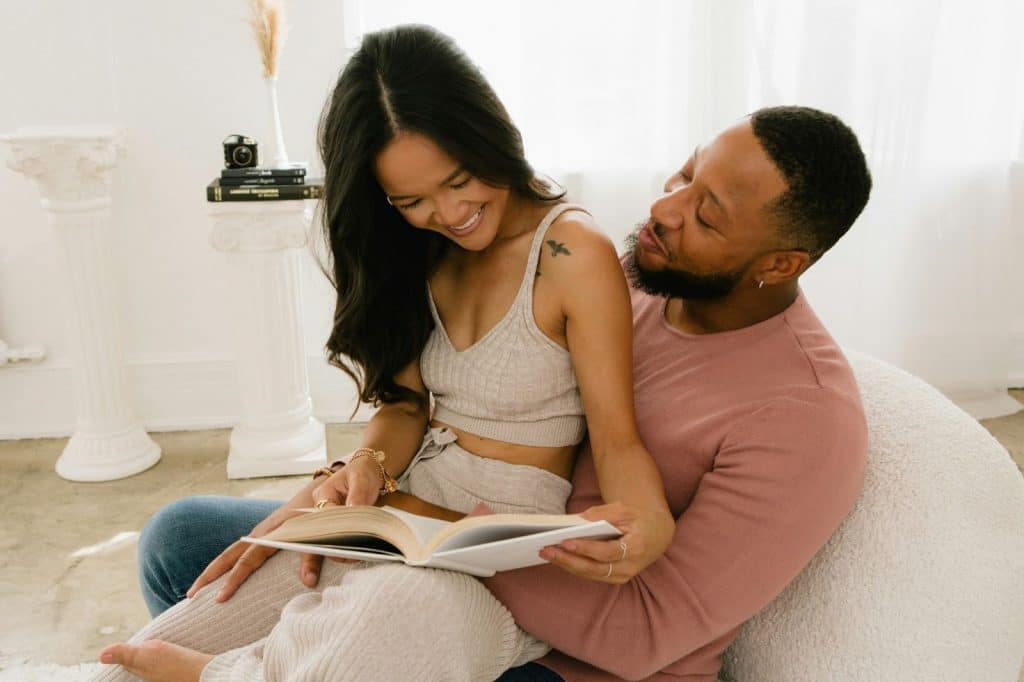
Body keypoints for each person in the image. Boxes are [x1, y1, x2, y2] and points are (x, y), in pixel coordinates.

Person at [92, 23, 675, 682]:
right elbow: (402, 407)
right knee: (133, 663)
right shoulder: (414, 249)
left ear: (490, 134)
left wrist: (649, 521)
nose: (449, 213)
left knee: (370, 633)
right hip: (391, 517)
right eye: (411, 200)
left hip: (488, 564)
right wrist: (347, 477)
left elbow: (616, 437)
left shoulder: (571, 255)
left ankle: (225, 675)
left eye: (458, 181)